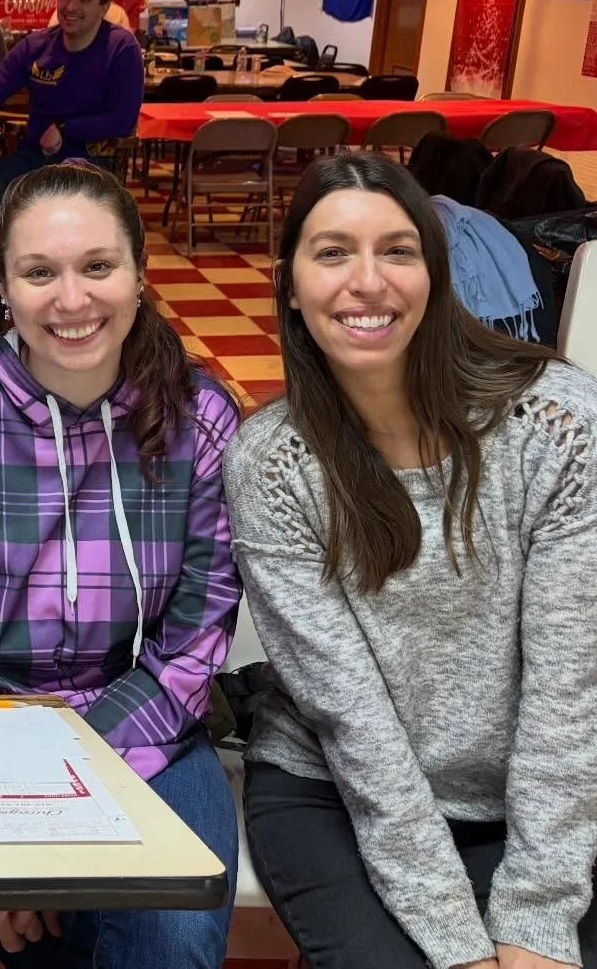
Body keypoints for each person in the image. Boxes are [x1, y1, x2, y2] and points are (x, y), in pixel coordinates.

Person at [0, 161, 241, 967]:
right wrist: (1, 821)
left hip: (150, 727)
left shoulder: (201, 418)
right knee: (32, 931)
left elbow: (194, 640)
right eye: (40, 273)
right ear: (2, 283)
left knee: (167, 933)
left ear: (139, 277)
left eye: (98, 268)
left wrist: (54, 816)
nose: (72, 301)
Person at [224, 152, 597, 969]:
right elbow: (355, 729)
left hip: (531, 800)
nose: (368, 282)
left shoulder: (560, 425)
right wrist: (461, 947)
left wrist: (534, 918)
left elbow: (568, 699)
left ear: (436, 272)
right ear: (290, 285)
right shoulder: (272, 463)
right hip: (337, 794)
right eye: (331, 253)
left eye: (397, 250)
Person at [0, 0, 144, 328]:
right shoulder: (37, 45)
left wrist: (67, 129)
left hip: (91, 166)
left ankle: (65, 301)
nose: (71, 7)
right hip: (32, 161)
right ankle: (5, 290)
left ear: (104, 8)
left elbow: (123, 118)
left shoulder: (120, 47)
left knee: (49, 228)